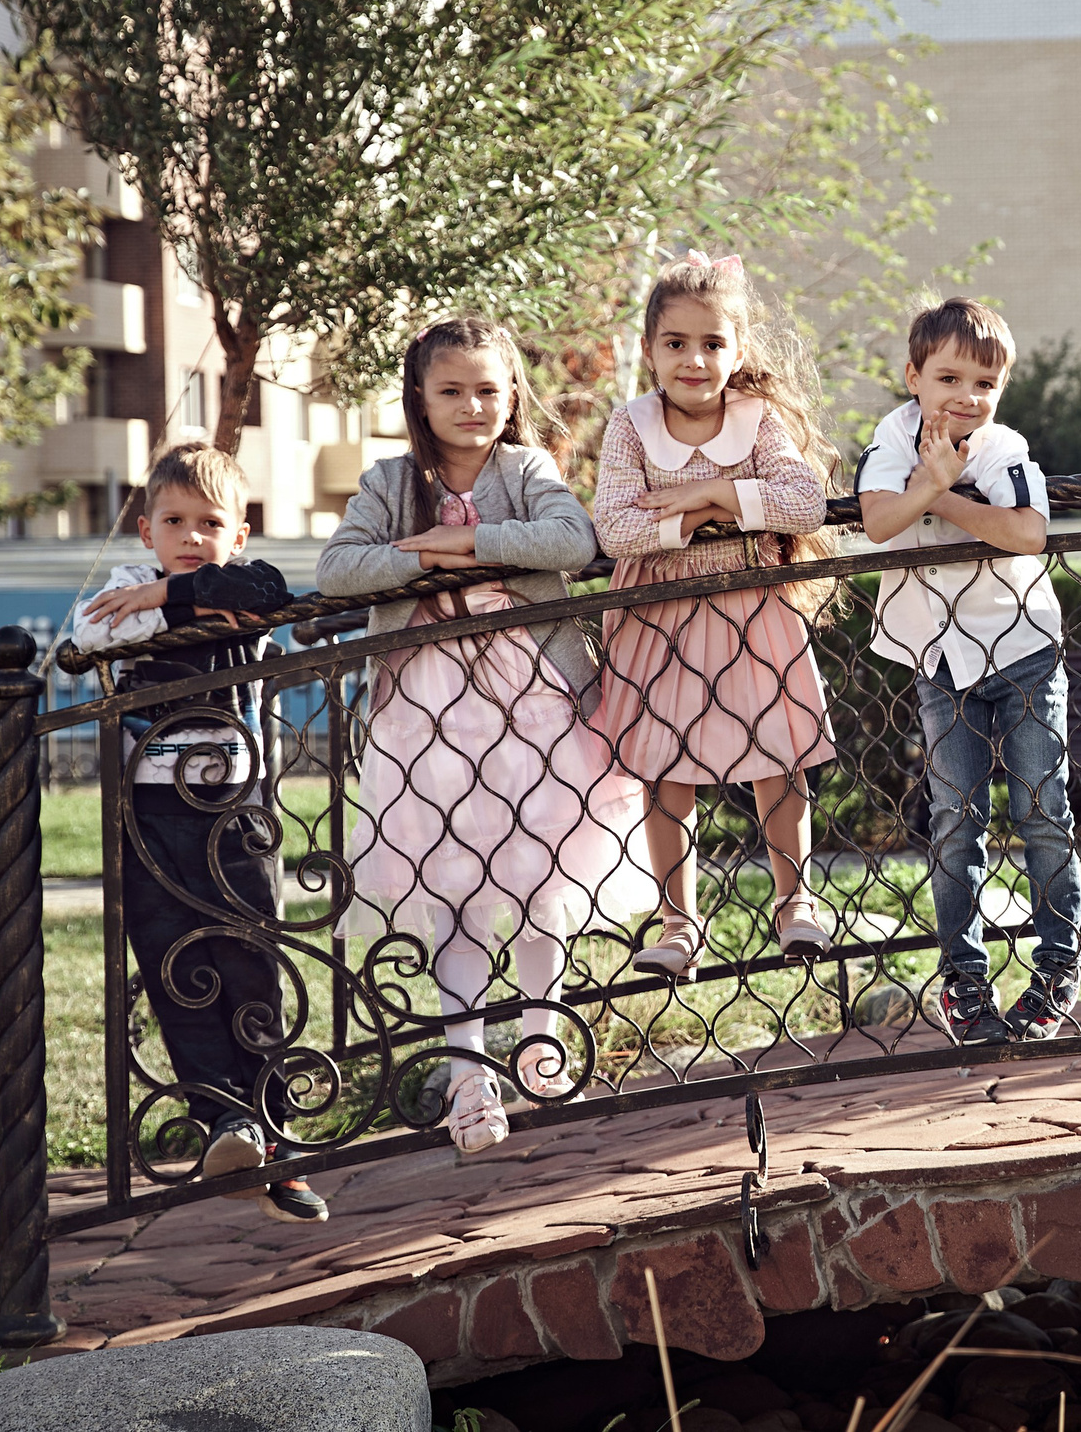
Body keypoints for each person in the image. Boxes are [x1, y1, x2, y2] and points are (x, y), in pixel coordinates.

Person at [321, 316, 652, 1152]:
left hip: (533, 694)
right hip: (430, 707)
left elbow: (572, 540)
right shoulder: (389, 482)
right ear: (420, 399)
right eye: (451, 391)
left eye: (488, 390)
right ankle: (468, 1073)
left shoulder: (526, 467)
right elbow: (338, 569)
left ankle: (541, 1045)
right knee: (455, 892)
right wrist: (422, 558)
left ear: (511, 398)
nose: (472, 405)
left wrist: (469, 541)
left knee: (544, 880)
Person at [73, 441, 326, 1219]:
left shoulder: (236, 587)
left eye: (209, 523)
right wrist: (163, 599)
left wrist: (168, 603)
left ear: (238, 533)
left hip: (236, 815)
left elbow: (269, 593)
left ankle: (276, 1144)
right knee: (176, 969)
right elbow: (87, 637)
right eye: (173, 521)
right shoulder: (122, 586)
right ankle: (227, 1122)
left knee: (248, 962)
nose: (189, 536)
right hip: (149, 814)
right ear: (145, 531)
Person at [592, 252, 841, 980]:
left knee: (780, 755)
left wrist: (712, 497)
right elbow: (615, 527)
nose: (694, 360)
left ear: (737, 351)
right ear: (649, 350)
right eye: (676, 344)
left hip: (751, 605)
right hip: (657, 614)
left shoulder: (756, 419)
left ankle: (795, 902)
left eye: (712, 344)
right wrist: (706, 517)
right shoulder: (630, 426)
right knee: (666, 769)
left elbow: (804, 501)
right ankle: (678, 924)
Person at [858, 297, 1081, 1046]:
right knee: (956, 821)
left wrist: (944, 497)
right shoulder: (893, 436)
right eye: (948, 377)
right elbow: (879, 521)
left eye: (984, 383)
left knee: (1040, 809)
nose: (967, 396)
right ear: (913, 376)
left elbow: (1026, 534)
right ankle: (964, 978)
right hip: (938, 658)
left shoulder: (1004, 447)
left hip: (1019, 647)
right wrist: (928, 486)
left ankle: (1056, 964)